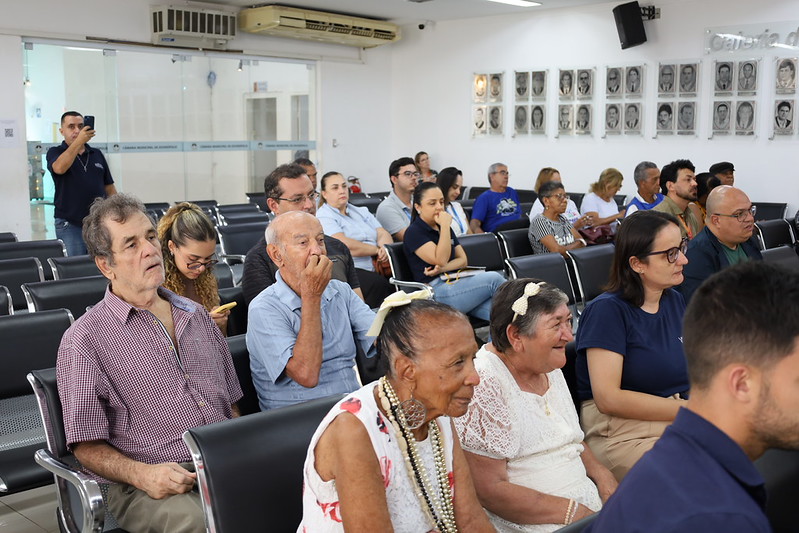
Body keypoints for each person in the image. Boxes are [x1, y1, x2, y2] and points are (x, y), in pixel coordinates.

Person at [57, 193, 242, 532]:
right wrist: (143, 474)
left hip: (221, 462)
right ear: (105, 265)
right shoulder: (85, 341)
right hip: (149, 481)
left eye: (150, 236)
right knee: (203, 523)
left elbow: (230, 406)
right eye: (130, 244)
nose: (149, 249)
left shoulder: (196, 315)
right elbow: (86, 445)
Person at [586, 261, 799, 532]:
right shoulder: (716, 518)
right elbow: (608, 396)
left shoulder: (683, 468)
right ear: (742, 383)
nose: (684, 260)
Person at [299, 296, 495, 532]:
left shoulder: (438, 414)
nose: (475, 377)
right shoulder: (354, 430)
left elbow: (472, 521)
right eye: (457, 363)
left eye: (472, 358)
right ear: (407, 370)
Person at [455, 279, 618, 532]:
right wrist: (577, 514)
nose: (568, 335)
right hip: (533, 521)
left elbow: (570, 439)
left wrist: (603, 476)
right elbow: (490, 490)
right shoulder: (485, 382)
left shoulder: (546, 361)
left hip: (584, 510)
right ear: (516, 335)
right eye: (556, 324)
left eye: (568, 321)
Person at [575, 210, 690, 480]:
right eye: (671, 253)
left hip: (673, 417)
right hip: (620, 433)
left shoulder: (673, 300)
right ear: (637, 264)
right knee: (697, 470)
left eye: (682, 247)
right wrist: (693, 411)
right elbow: (608, 398)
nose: (683, 259)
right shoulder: (607, 312)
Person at [246, 211, 375, 410]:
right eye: (303, 243)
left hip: (351, 405)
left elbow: (379, 337)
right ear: (276, 255)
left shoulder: (340, 291)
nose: (318, 251)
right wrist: (312, 296)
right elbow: (306, 374)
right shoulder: (263, 308)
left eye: (321, 240)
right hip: (301, 417)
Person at [240, 164, 362, 305]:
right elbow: (268, 316)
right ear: (274, 205)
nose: (309, 205)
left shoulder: (338, 247)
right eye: (297, 199)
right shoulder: (259, 259)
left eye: (311, 195)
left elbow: (358, 307)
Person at [405, 182, 504, 321]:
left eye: (441, 201)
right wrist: (445, 226)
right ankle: (525, 307)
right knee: (493, 279)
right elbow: (440, 259)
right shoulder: (415, 232)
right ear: (418, 207)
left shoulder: (443, 227)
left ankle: (490, 343)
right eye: (432, 203)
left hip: (458, 283)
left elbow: (463, 260)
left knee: (503, 317)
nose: (439, 207)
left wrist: (441, 269)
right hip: (436, 292)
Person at [317, 172, 395, 309]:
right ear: (324, 193)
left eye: (343, 186)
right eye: (335, 188)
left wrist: (384, 247)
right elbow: (343, 245)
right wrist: (377, 250)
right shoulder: (324, 215)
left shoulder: (361, 211)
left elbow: (382, 233)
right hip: (352, 269)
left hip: (378, 265)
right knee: (379, 284)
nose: (341, 190)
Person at [46, 111, 117, 256]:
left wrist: (118, 211)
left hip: (98, 223)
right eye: (71, 127)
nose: (77, 130)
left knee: (100, 264)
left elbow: (109, 187)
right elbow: (59, 168)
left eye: (80, 126)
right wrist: (78, 142)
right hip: (70, 224)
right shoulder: (55, 152)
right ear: (62, 131)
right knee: (75, 268)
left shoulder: (96, 154)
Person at [679, 186, 762, 302]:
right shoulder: (697, 255)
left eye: (750, 210)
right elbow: (702, 308)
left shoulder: (748, 241)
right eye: (739, 214)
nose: (750, 218)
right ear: (716, 220)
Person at [157, 202, 229, 334]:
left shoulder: (206, 281)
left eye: (207, 259)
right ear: (172, 247)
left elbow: (221, 340)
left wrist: (220, 324)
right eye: (193, 260)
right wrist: (203, 325)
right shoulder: (156, 287)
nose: (201, 269)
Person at [528, 181, 587, 256]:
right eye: (559, 196)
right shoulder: (539, 221)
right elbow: (556, 252)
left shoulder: (563, 218)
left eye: (565, 196)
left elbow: (582, 242)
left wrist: (565, 250)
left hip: (570, 263)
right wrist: (576, 246)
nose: (565, 200)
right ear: (546, 201)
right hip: (550, 265)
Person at [653, 159, 704, 240]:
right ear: (670, 186)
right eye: (688, 179)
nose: (695, 184)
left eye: (694, 179)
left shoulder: (690, 213)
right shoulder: (659, 216)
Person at [376, 157, 420, 242]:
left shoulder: (418, 201)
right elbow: (412, 239)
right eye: (407, 174)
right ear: (394, 179)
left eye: (415, 174)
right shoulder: (386, 208)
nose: (414, 177)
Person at [470, 163, 522, 233]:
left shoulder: (512, 192)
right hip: (500, 231)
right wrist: (484, 238)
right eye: (502, 173)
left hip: (518, 228)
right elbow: (474, 223)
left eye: (507, 173)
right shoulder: (484, 198)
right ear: (492, 176)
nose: (506, 176)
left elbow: (519, 213)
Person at [580, 168, 625, 233]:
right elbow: (593, 223)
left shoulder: (612, 201)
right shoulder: (590, 198)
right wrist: (617, 216)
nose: (618, 189)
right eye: (617, 186)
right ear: (607, 184)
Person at [436, 167, 472, 236]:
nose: (458, 192)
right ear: (445, 184)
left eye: (460, 188)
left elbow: (469, 233)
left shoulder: (457, 206)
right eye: (455, 187)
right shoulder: (436, 210)